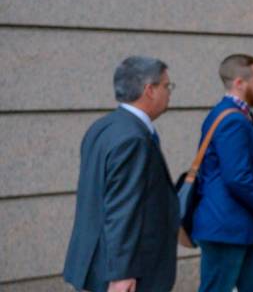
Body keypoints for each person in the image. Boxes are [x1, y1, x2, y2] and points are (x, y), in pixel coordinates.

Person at [63, 56, 179, 292]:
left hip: (100, 260)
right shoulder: (133, 138)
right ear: (150, 90)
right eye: (167, 86)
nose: (169, 92)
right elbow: (122, 208)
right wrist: (122, 273)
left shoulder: (104, 126)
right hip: (129, 272)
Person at [190, 54, 253, 292]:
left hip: (235, 225)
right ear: (239, 83)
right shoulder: (232, 120)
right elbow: (237, 178)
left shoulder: (233, 113)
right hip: (225, 227)